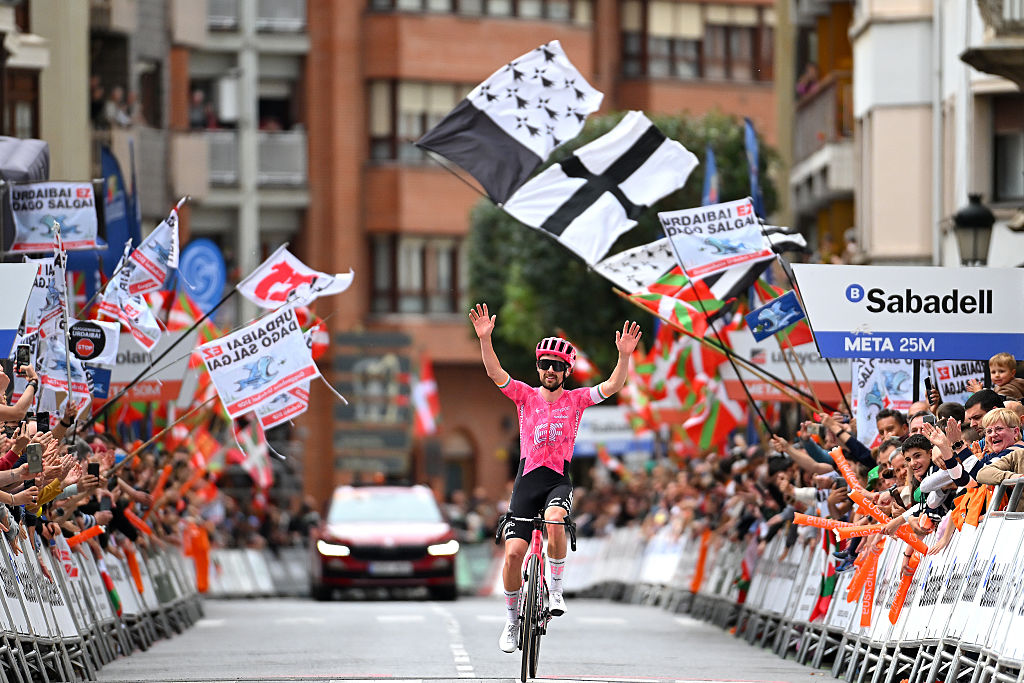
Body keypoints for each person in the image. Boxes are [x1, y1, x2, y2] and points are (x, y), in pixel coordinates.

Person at [468, 303, 641, 653]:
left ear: (566, 372)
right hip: (527, 481)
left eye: (557, 366)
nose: (550, 370)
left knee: (555, 520)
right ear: (538, 368)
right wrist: (485, 339)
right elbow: (494, 372)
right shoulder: (524, 396)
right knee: (514, 554)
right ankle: (512, 621)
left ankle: (557, 589)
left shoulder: (576, 400)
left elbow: (612, 385)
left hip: (557, 480)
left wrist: (623, 357)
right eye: (545, 364)